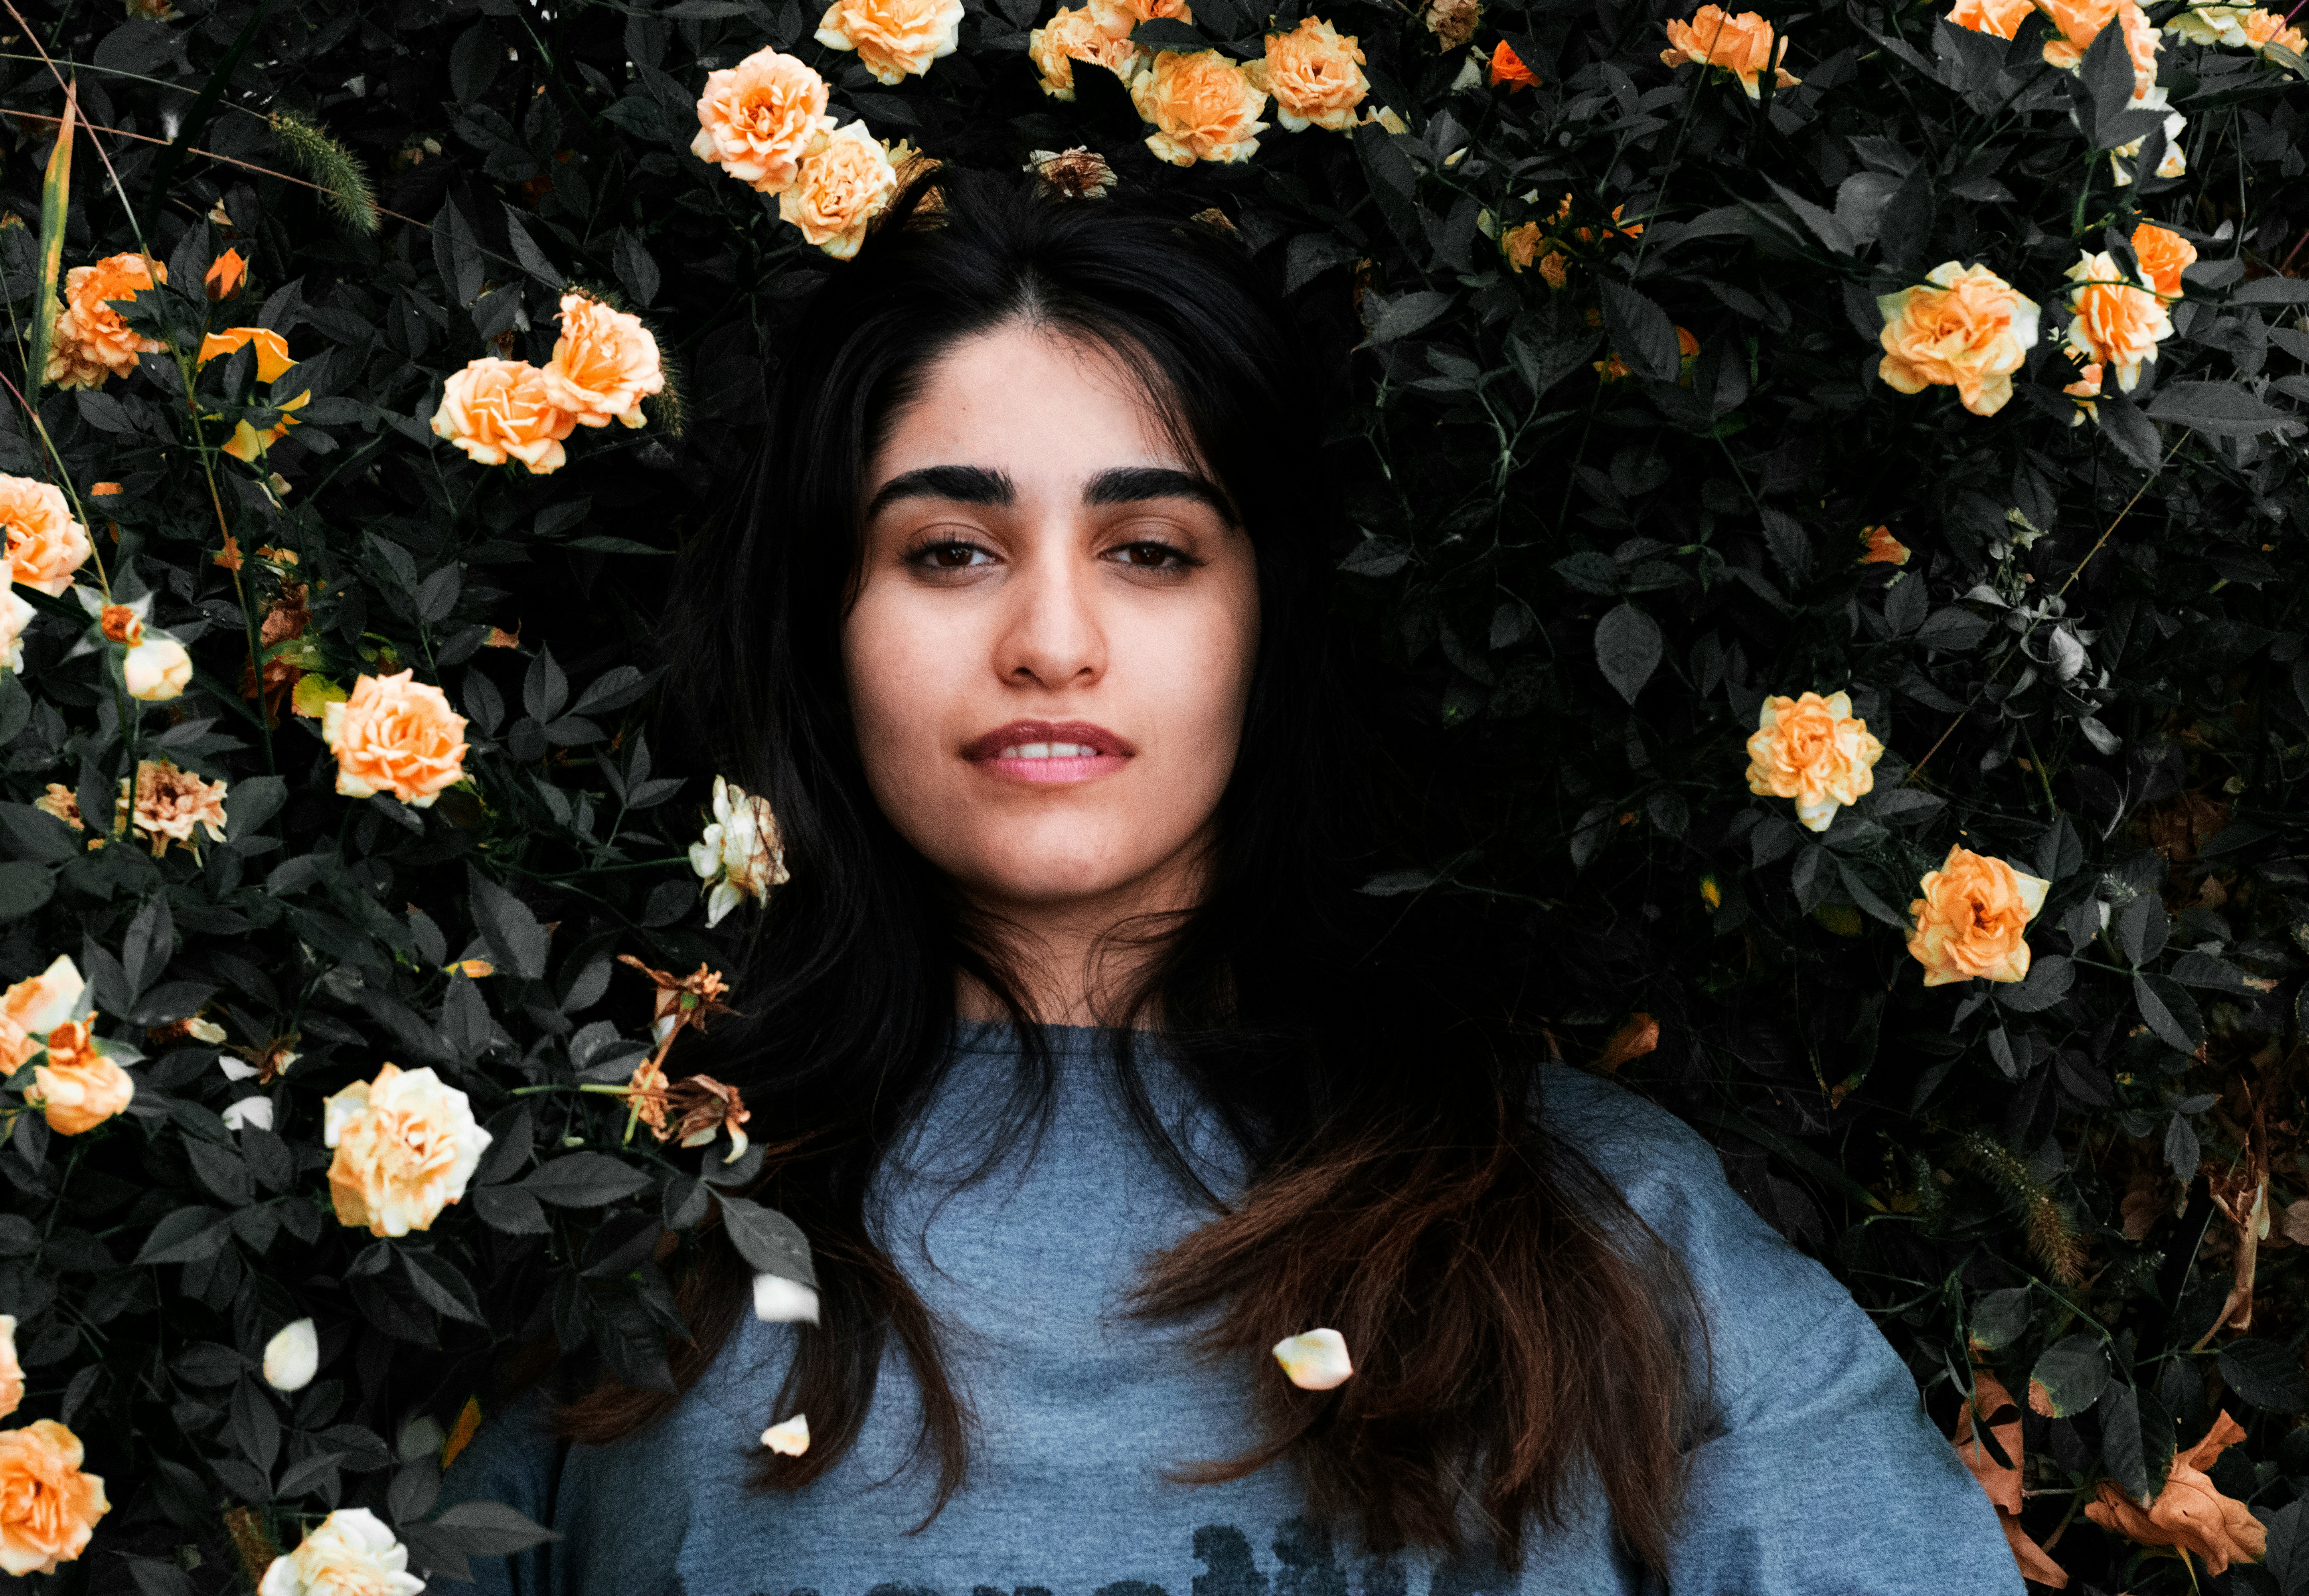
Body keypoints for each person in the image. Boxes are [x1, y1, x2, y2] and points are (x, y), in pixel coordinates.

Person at [440, 171, 2021, 1596]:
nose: (1053, 641)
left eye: (1152, 549)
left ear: (1270, 626)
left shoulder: (1614, 1236)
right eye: (949, 550)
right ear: (825, 627)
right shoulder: (630, 1237)